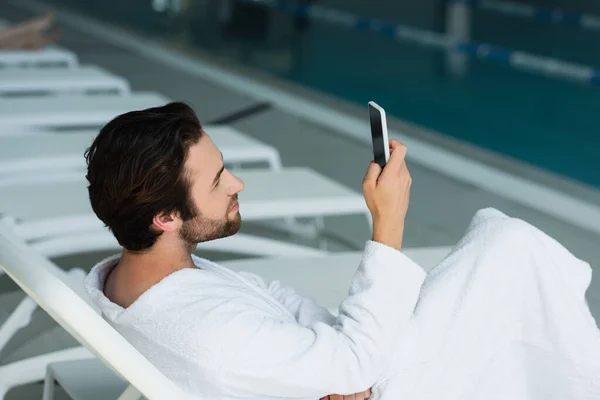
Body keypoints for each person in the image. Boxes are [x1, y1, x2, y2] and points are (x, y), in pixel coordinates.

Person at [84, 102, 600, 399]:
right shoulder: (203, 331)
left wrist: (330, 366)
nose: (237, 182)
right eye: (218, 180)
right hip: (377, 386)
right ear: (166, 217)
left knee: (504, 254)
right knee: (507, 250)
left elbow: (280, 297)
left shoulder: (145, 277)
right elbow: (354, 364)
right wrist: (387, 222)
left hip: (343, 372)